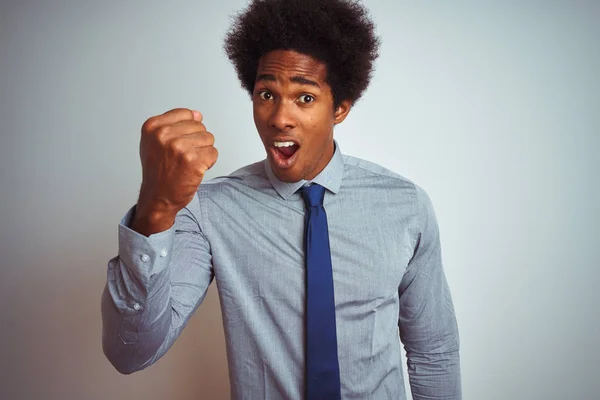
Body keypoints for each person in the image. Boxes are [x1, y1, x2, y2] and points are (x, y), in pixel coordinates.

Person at [101, 0, 462, 398]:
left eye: (304, 98)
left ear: (339, 108)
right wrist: (156, 208)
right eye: (266, 94)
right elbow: (130, 352)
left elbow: (433, 352)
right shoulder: (210, 210)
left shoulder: (405, 206)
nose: (279, 118)